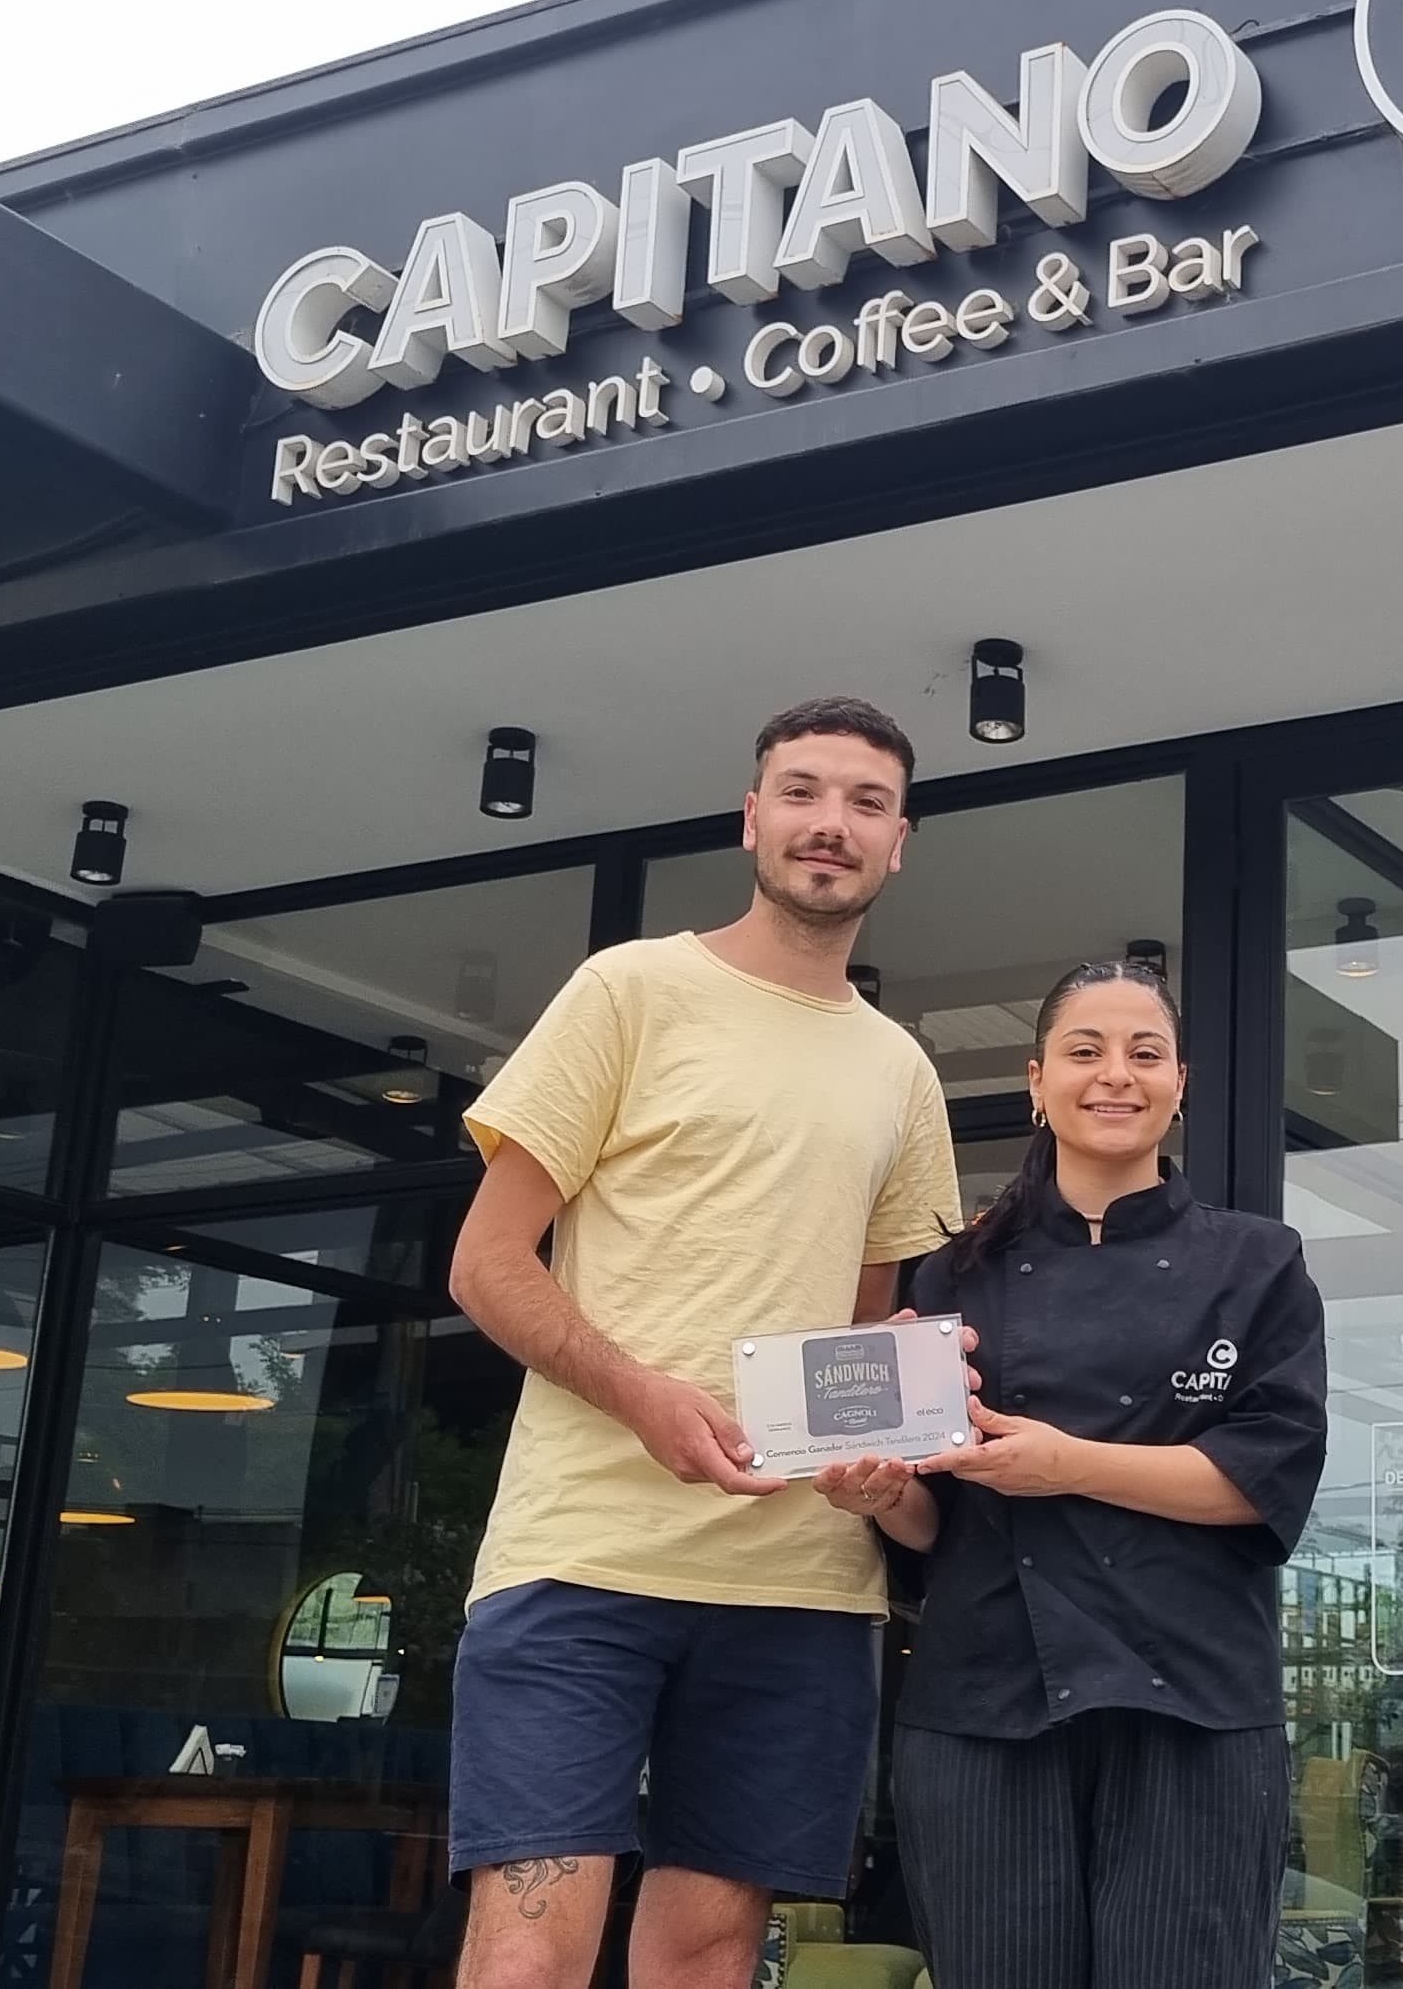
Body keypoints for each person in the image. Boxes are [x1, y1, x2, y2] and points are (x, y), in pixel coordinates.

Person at [445, 697, 962, 1989]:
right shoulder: (629, 990)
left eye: (865, 802)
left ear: (900, 842)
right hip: (582, 1555)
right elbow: (486, 1263)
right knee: (527, 1954)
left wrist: (888, 1430)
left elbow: (858, 1333)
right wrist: (641, 1394)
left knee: (710, 1957)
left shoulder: (901, 1070)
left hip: (798, 1584)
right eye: (802, 791)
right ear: (751, 817)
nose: (830, 823)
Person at [813, 959, 1328, 1989]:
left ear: (1180, 1083)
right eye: (1085, 1051)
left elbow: (1261, 1480)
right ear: (1037, 1081)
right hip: (984, 1699)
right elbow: (935, 1518)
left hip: (1193, 1698)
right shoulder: (952, 1273)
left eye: (1145, 1053)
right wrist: (883, 1491)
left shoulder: (1259, 1263)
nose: (1115, 1074)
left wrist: (1067, 1465)